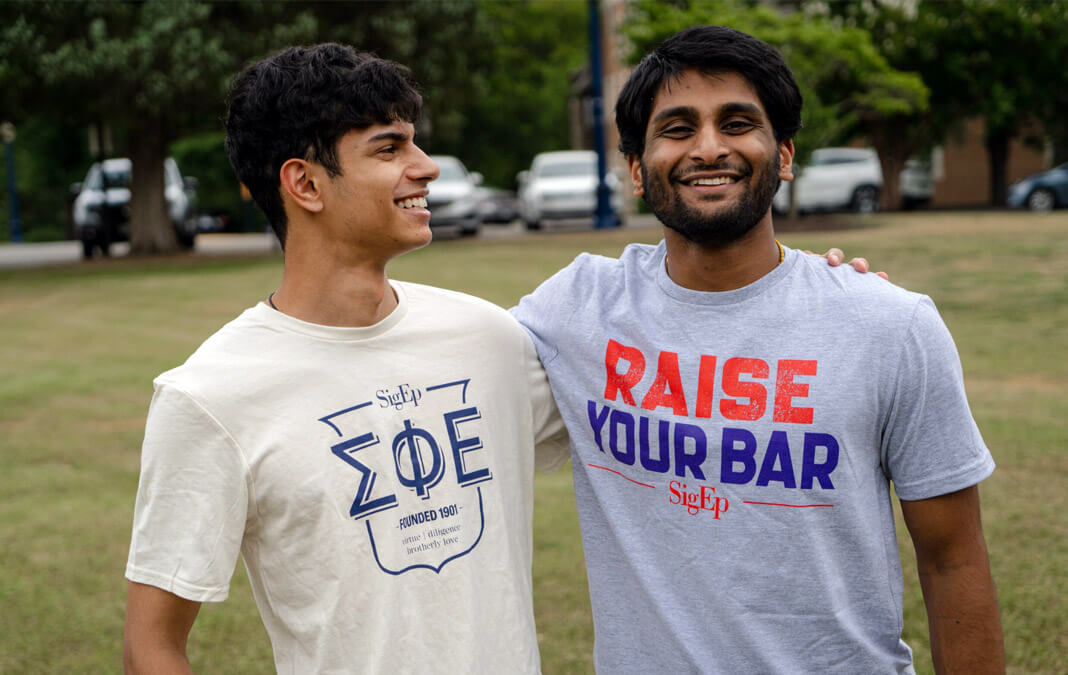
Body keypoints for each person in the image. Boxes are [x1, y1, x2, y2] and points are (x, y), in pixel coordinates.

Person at [513, 25, 1003, 674]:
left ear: (785, 154)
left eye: (738, 122)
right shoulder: (574, 308)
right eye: (678, 128)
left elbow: (954, 559)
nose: (709, 148)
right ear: (636, 168)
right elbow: (432, 358)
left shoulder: (891, 325)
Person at [122, 44, 567, 673]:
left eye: (414, 143)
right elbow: (151, 646)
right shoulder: (210, 397)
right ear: (304, 183)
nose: (428, 167)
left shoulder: (491, 339)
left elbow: (637, 446)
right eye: (389, 149)